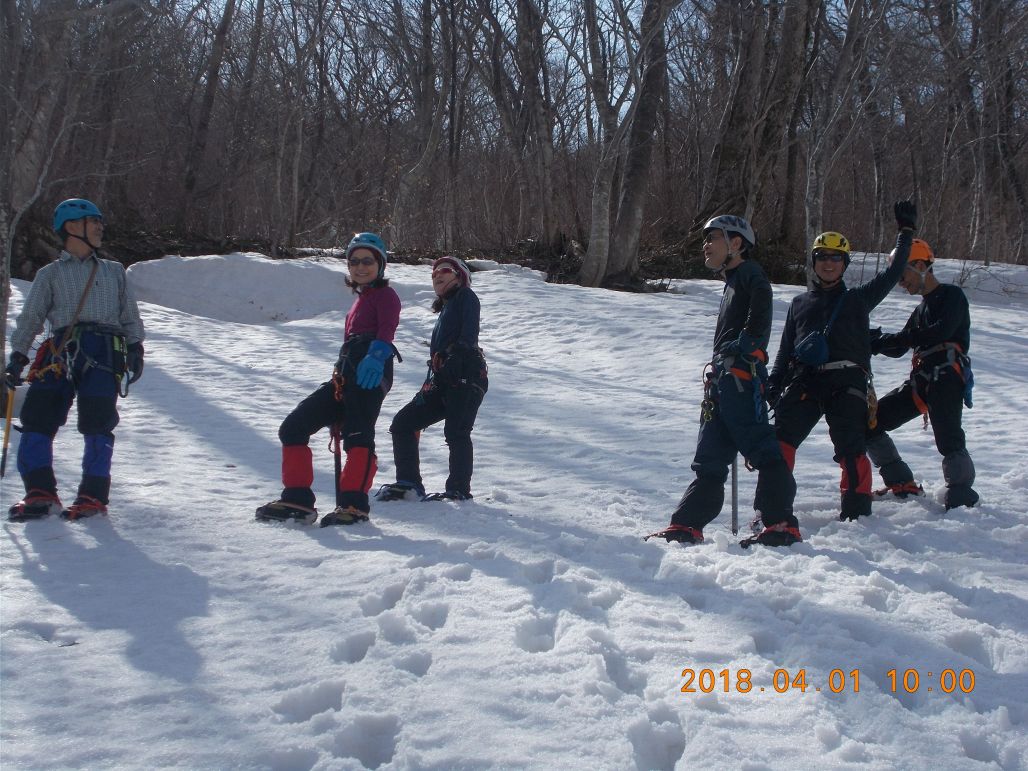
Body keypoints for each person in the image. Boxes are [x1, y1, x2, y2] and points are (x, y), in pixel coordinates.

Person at [648, 215, 798, 548]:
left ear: (737, 243)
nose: (706, 244)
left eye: (713, 237)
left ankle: (781, 524)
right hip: (723, 382)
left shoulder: (751, 275)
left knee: (762, 448)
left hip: (741, 377)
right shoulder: (733, 281)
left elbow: (759, 322)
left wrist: (744, 346)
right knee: (710, 459)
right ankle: (686, 525)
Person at [766, 201, 916, 522]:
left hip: (847, 383)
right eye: (822, 257)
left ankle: (856, 511)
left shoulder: (856, 301)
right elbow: (785, 352)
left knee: (851, 448)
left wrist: (905, 232)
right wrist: (773, 386)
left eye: (836, 258)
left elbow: (893, 272)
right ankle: (773, 508)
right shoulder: (799, 304)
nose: (829, 263)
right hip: (806, 381)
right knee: (780, 440)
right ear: (814, 262)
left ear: (845, 263)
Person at [5, 198, 145, 521]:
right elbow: (31, 318)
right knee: (38, 415)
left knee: (98, 422)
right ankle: (39, 491)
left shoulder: (114, 272)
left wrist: (136, 348)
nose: (100, 227)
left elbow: (129, 316)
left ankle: (92, 497)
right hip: (61, 351)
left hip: (105, 352)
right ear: (71, 227)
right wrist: (18, 356)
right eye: (93, 221)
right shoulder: (49, 274)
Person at [256, 232, 401, 526]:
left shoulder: (386, 295)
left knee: (358, 436)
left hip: (370, 373)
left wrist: (377, 354)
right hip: (345, 377)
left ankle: (354, 506)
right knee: (294, 427)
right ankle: (297, 499)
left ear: (381, 264)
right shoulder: (360, 301)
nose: (360, 267)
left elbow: (388, 329)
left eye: (368, 261)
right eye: (354, 261)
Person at [865, 239, 978, 510]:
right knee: (870, 422)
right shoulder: (920, 309)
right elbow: (901, 347)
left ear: (918, 265)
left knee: (948, 436)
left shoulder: (952, 296)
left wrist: (892, 339)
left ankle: (962, 496)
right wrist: (874, 341)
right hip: (922, 380)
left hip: (947, 377)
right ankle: (901, 481)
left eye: (902, 276)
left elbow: (939, 331)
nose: (901, 284)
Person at [376, 256, 487, 502]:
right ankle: (409, 484)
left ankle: (458, 490)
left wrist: (453, 354)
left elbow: (469, 334)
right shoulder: (447, 307)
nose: (437, 275)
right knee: (403, 423)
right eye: (434, 273)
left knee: (457, 432)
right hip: (443, 378)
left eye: (445, 271)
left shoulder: (466, 297)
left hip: (467, 374)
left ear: (461, 276)